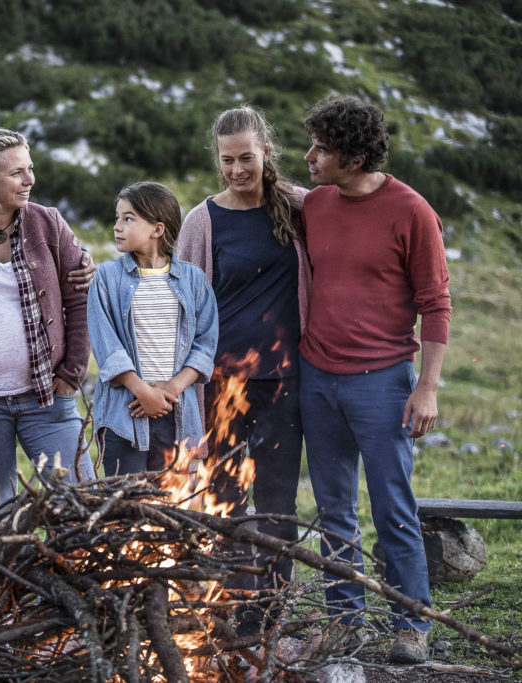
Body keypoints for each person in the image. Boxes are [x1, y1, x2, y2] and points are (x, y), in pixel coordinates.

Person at [299, 96, 451, 664]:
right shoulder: (313, 204)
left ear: (355, 157)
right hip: (318, 376)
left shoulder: (412, 211)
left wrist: (427, 387)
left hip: (383, 382)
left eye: (322, 149)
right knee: (334, 508)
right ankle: (344, 621)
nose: (309, 157)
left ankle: (410, 624)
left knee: (393, 506)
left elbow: (436, 304)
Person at [176, 106, 311, 621]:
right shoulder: (202, 220)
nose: (237, 170)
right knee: (225, 493)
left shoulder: (298, 207)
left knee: (278, 499)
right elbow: (186, 302)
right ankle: (231, 602)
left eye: (247, 158)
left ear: (265, 153)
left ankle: (272, 605)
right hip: (221, 381)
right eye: (228, 160)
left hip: (284, 380)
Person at [0, 128, 94, 503]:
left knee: (74, 501)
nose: (30, 179)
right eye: (16, 172)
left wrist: (72, 373)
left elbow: (79, 298)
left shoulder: (47, 222)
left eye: (30, 168)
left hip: (47, 398)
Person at [88, 181, 218, 478]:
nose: (117, 227)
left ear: (157, 229)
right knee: (125, 508)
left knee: (172, 509)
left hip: (176, 412)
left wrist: (171, 389)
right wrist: (142, 391)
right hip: (126, 411)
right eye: (117, 218)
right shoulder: (106, 279)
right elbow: (106, 346)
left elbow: (205, 344)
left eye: (128, 218)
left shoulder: (193, 280)